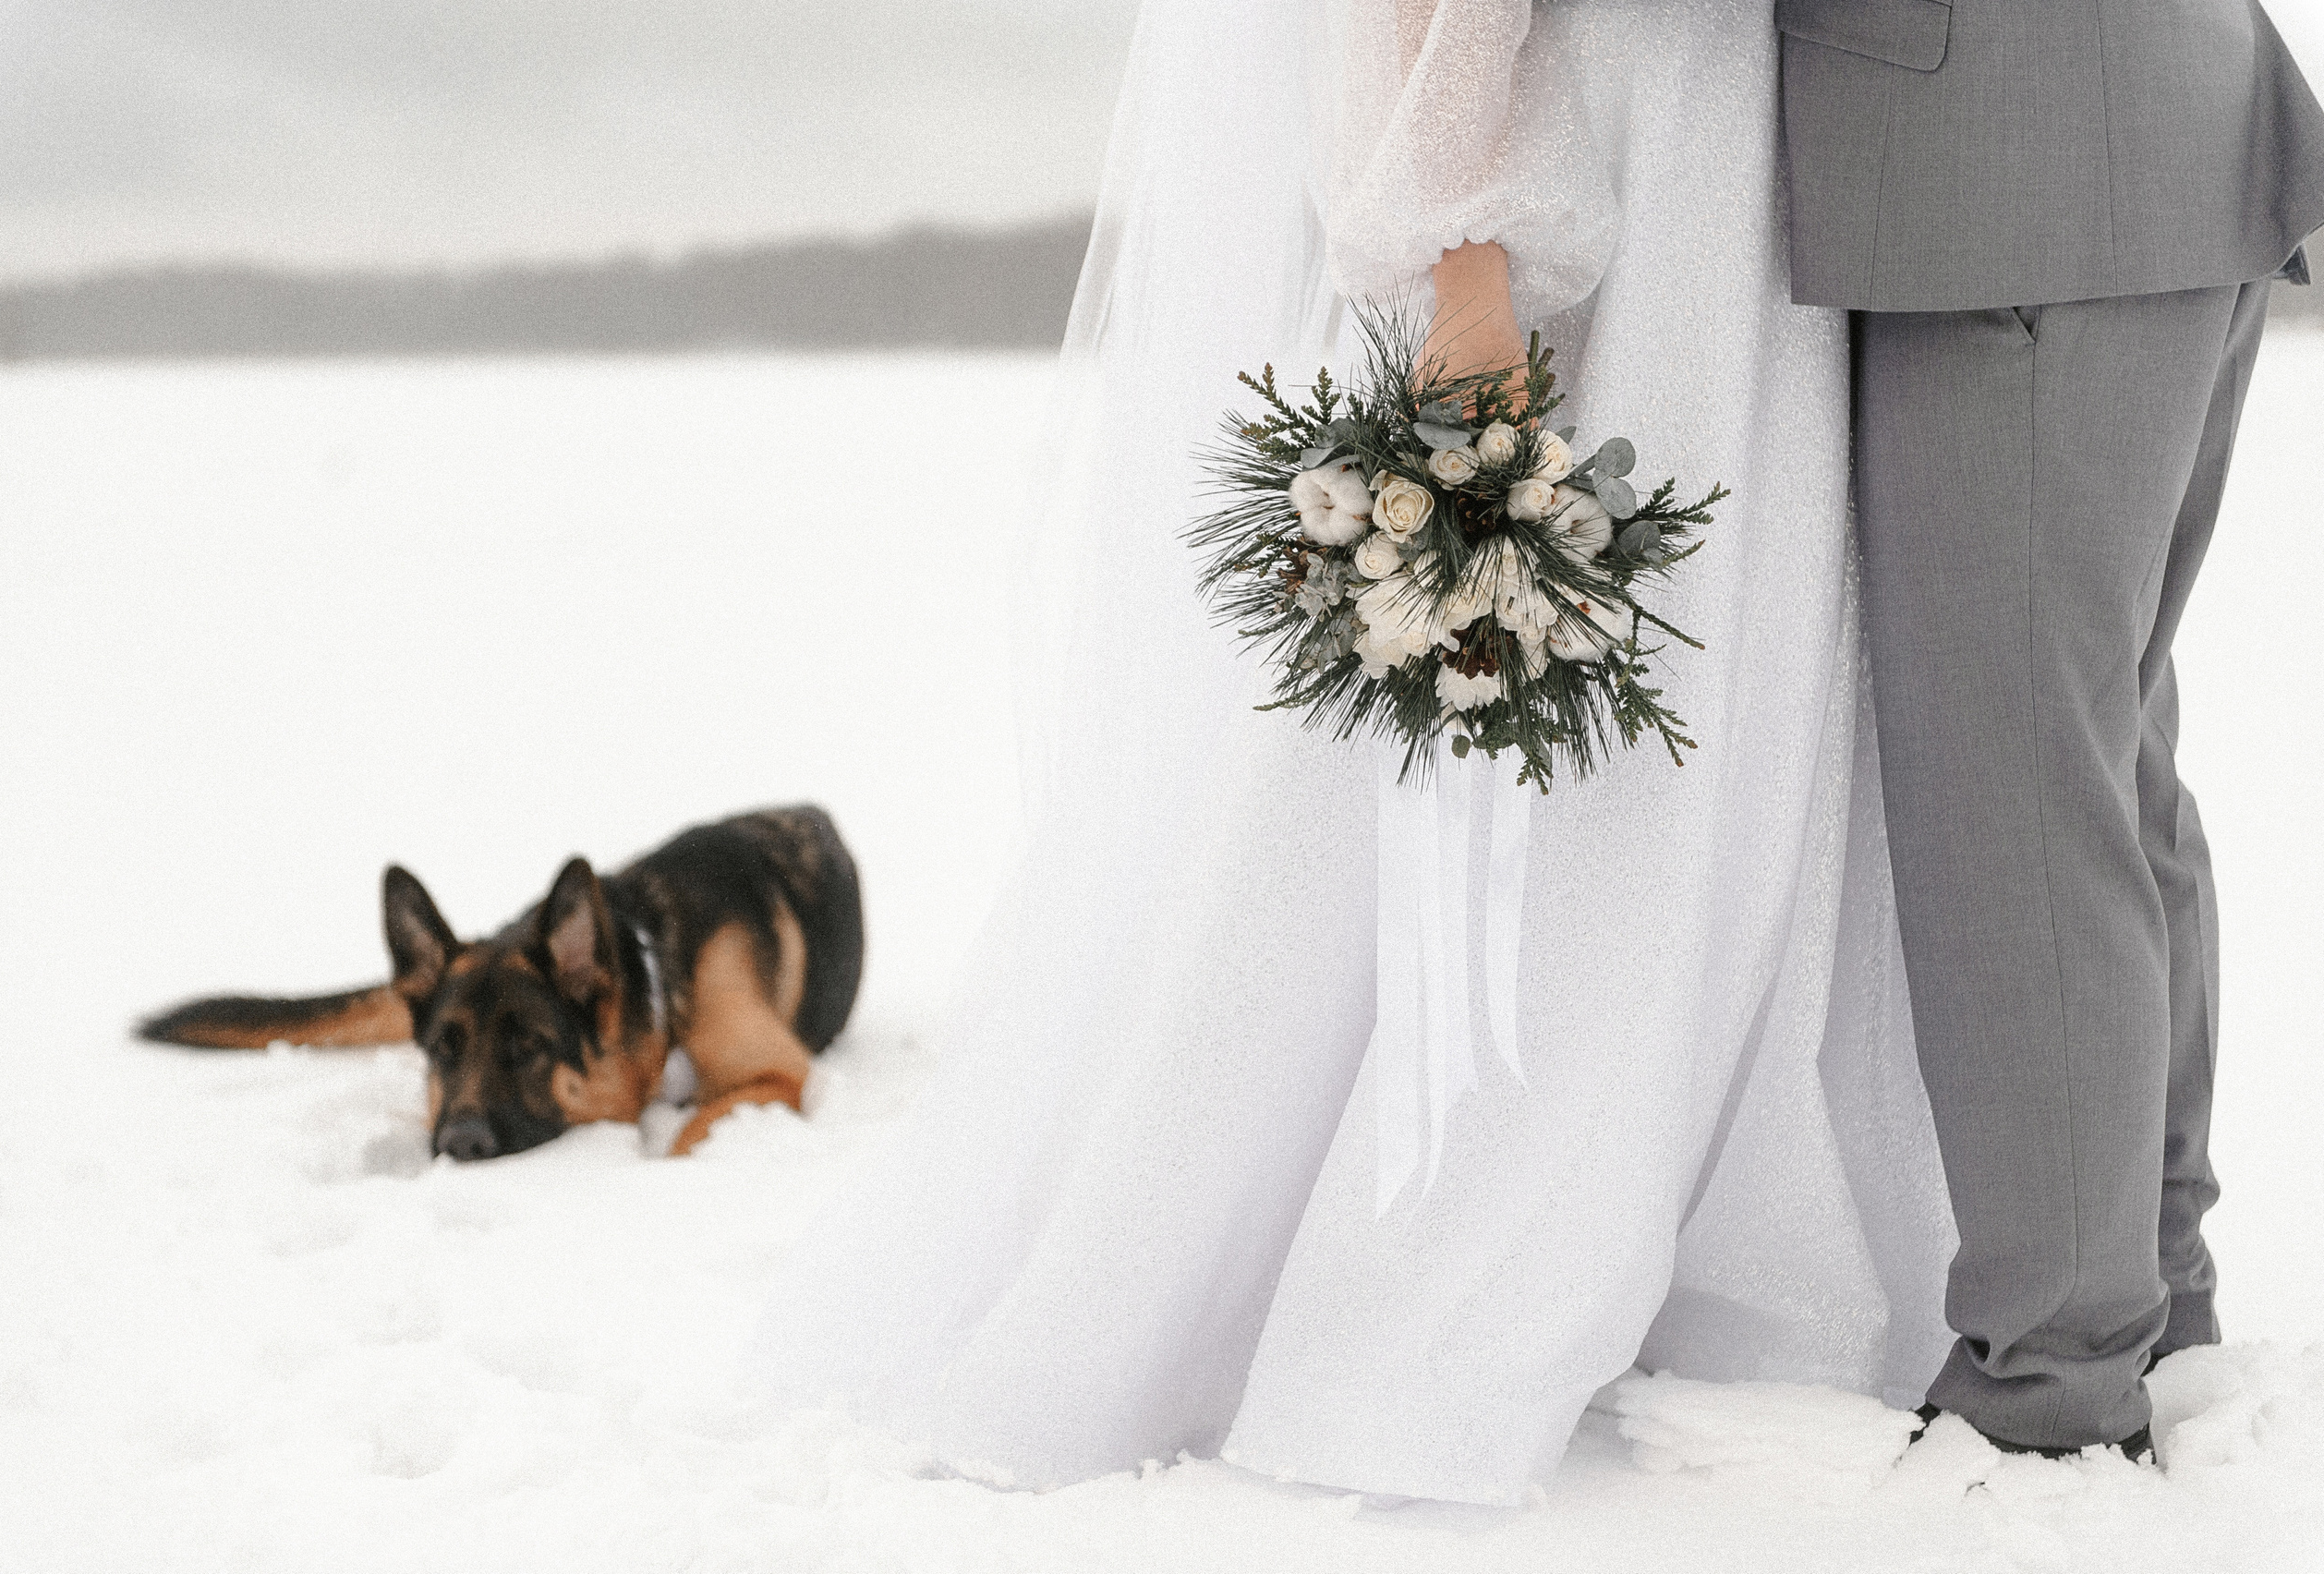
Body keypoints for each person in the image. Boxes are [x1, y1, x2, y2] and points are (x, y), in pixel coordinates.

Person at [753, 0, 1956, 1506]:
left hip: (1742, 197)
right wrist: (1465, 251)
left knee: (1701, 742)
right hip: (1582, 211)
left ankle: (1644, 1213)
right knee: (1421, 779)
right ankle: (1319, 1268)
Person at [1781, 0, 2324, 1457]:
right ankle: (2153, 1284)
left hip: (2018, 184)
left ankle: (2057, 1381)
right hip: (2134, 145)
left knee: (2016, 796)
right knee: (2098, 761)